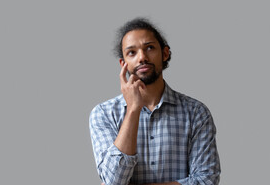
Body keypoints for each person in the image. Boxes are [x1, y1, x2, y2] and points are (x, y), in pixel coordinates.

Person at [89, 18, 221, 185]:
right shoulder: (103, 114)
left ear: (165, 53)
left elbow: (206, 180)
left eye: (149, 48)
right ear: (123, 64)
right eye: (132, 52)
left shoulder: (196, 113)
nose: (142, 57)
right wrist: (133, 110)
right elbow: (113, 180)